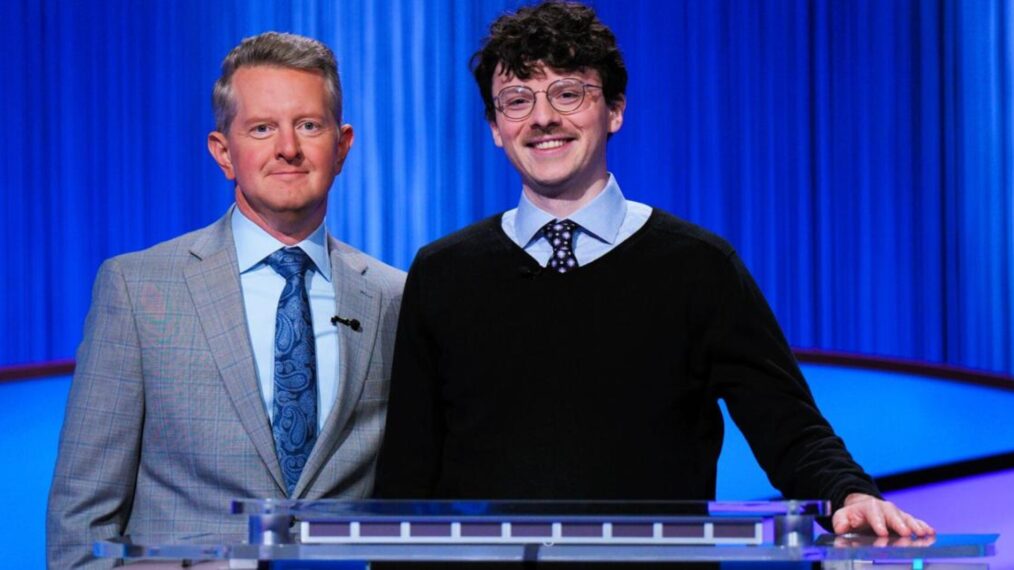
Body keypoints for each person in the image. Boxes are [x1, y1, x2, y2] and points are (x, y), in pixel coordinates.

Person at [374, 0, 932, 540]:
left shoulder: (698, 266)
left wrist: (850, 494)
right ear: (496, 127)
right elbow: (406, 477)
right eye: (516, 100)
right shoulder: (443, 272)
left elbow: (786, 423)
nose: (543, 117)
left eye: (568, 93)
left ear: (615, 108)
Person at [47, 32, 405, 568]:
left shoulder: (393, 296)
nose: (288, 148)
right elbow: (81, 521)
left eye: (308, 125)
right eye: (262, 128)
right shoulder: (138, 288)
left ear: (343, 144)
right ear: (223, 152)